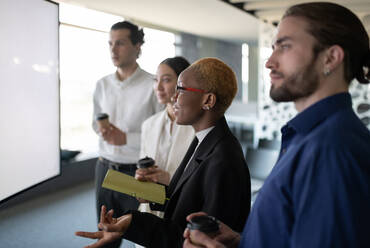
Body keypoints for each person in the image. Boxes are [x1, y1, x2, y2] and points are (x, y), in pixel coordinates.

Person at [183, 2, 370, 248]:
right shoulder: (310, 137)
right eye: (272, 48)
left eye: (284, 47)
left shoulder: (330, 149)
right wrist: (243, 242)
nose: (269, 62)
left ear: (331, 58)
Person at [76, 58, 251, 248]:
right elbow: (188, 203)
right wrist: (143, 207)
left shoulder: (224, 159)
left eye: (181, 89)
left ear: (208, 100)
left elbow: (200, 241)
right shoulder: (204, 140)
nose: (174, 97)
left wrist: (132, 225)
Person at [92, 21, 163, 248]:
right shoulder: (102, 84)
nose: (113, 50)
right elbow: (94, 122)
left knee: (141, 237)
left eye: (120, 43)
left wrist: (127, 139)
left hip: (136, 173)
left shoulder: (154, 85)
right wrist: (101, 129)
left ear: (138, 46)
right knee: (106, 235)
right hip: (104, 169)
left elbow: (162, 134)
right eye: (110, 44)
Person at [136, 56, 195, 218]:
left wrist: (170, 178)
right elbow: (143, 167)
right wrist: (141, 179)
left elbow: (204, 181)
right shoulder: (148, 125)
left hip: (183, 212)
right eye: (156, 80)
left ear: (183, 83)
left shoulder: (198, 128)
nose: (158, 87)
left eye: (166, 80)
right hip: (150, 212)